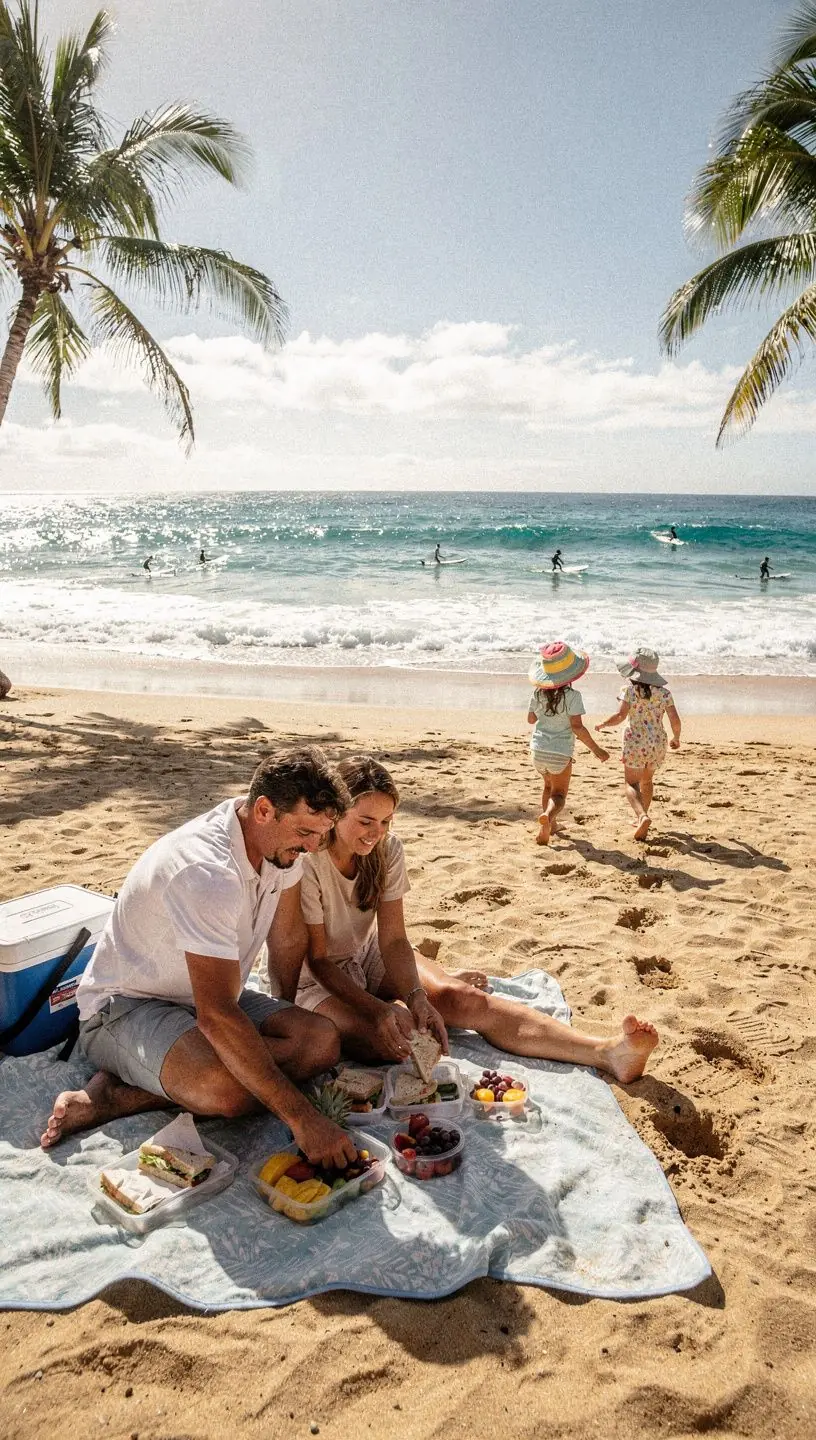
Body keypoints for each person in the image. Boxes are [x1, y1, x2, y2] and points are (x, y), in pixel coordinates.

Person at [41, 749, 360, 1169]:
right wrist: (302, 1118)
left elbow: (285, 941)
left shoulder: (279, 847)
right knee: (225, 1090)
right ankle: (114, 1097)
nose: (314, 846)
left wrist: (286, 1018)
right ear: (264, 809)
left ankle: (147, 1085)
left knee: (320, 1041)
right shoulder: (208, 871)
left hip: (204, 994)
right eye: (306, 832)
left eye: (322, 834)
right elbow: (216, 1016)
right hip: (125, 1008)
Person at [287, 756, 658, 1082]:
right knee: (390, 1042)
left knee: (463, 999)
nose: (376, 833)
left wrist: (416, 997)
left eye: (386, 821)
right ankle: (401, 1002)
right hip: (318, 979)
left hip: (367, 955)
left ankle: (606, 1051)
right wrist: (383, 1009)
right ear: (336, 813)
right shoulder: (310, 862)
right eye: (366, 821)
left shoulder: (387, 848)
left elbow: (394, 941)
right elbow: (319, 961)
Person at [527, 642, 609, 845]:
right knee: (559, 794)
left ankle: (550, 825)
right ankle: (547, 816)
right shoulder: (573, 697)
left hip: (538, 750)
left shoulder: (538, 693)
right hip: (560, 753)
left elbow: (530, 719)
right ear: (571, 674)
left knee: (547, 787)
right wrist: (597, 750)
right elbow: (577, 727)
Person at [595, 648, 681, 841]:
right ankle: (643, 816)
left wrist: (604, 724)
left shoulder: (629, 691)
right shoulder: (664, 693)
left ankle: (641, 816)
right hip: (657, 742)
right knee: (647, 781)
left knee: (631, 782)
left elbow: (620, 715)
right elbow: (674, 718)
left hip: (635, 741)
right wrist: (676, 737)